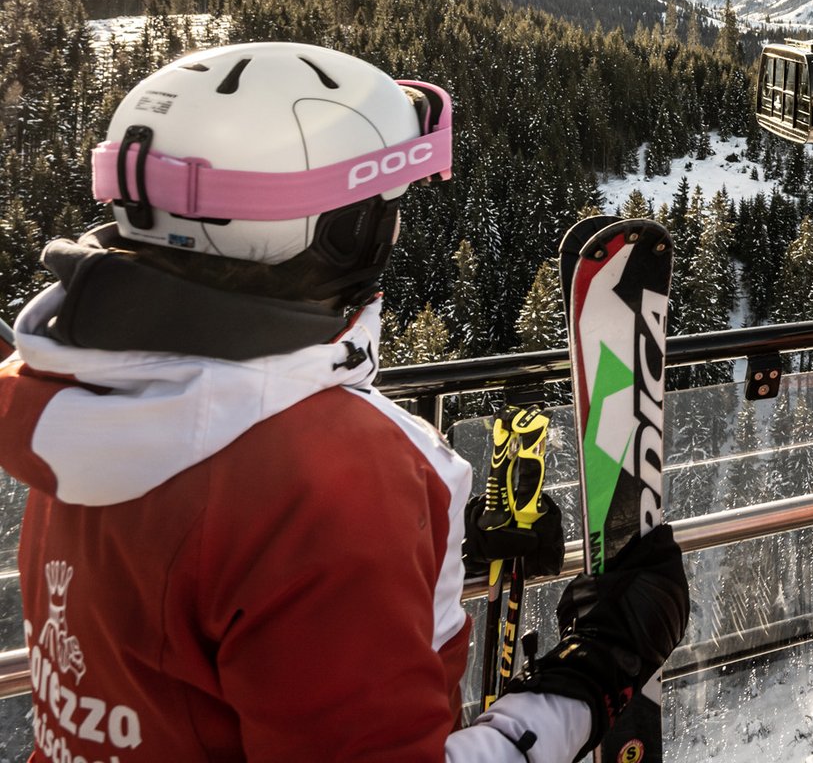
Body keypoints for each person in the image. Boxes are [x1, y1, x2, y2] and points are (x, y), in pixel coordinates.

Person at [0, 41, 688, 763]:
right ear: (347, 235)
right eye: (386, 206)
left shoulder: (74, 402)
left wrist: (428, 555)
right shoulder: (332, 483)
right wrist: (590, 678)